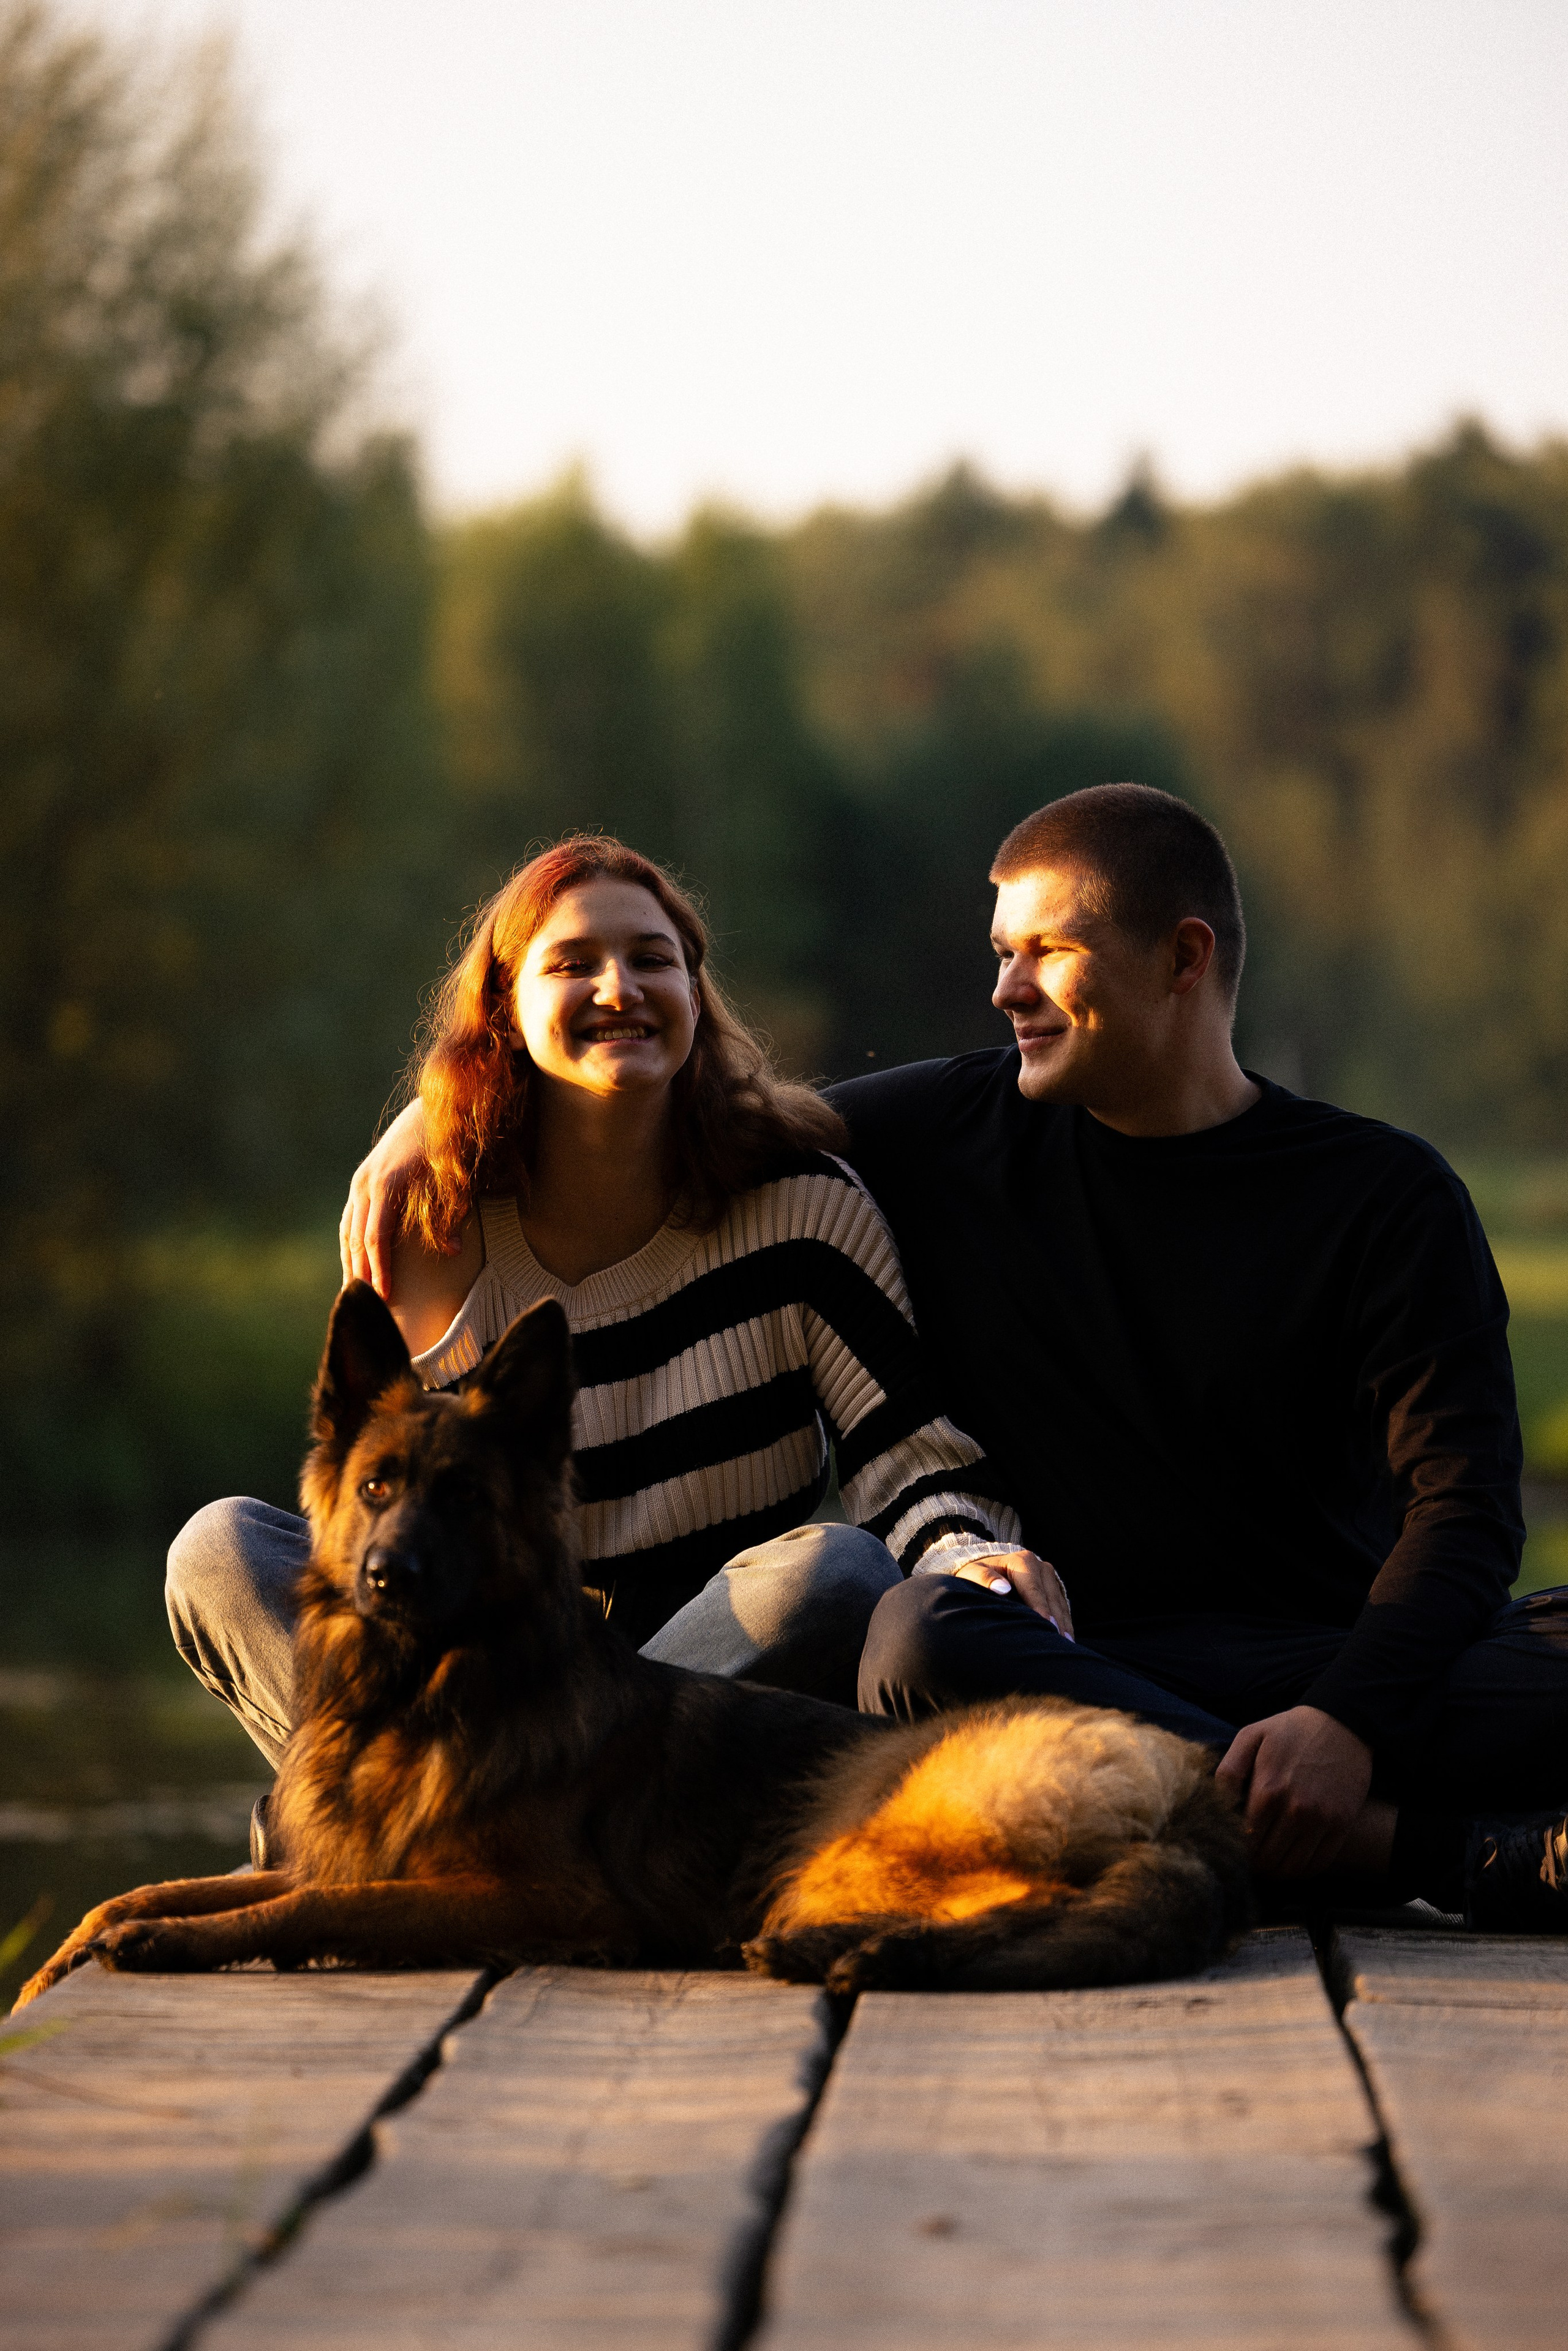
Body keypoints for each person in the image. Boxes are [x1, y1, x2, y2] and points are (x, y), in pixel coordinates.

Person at [347, 788, 1568, 1930]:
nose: (1003, 989)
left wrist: (1342, 1718)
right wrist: (437, 1114)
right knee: (920, 1635)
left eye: (1043, 951)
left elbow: (1461, 1510)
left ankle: (1251, 1808)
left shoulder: (1383, 1193)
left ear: (1181, 959)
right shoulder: (940, 1133)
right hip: (1062, 1659)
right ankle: (1417, 1854)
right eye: (998, 953)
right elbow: (672, 1113)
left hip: (1321, 1648)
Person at [168, 836, 1054, 1777]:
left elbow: (907, 1460)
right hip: (483, 1668)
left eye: (652, 959)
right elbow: (375, 1509)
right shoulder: (430, 1228)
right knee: (217, 1549)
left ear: (695, 995)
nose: (619, 988)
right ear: (505, 1010)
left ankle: (510, 1812)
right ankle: (389, 1801)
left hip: (713, 1672)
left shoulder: (802, 1207)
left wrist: (968, 1560)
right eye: (573, 964)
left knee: (836, 1574)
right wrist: (425, 1112)